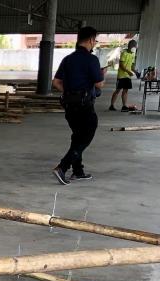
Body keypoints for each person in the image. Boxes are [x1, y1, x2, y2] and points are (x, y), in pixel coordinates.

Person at [51, 26, 105, 186]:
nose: (94, 43)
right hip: (84, 106)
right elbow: (99, 84)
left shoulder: (68, 59)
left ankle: (78, 171)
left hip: (69, 105)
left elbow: (56, 82)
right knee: (86, 135)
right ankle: (62, 167)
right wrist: (103, 75)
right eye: (95, 40)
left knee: (77, 136)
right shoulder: (91, 59)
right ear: (90, 40)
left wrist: (68, 92)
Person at [109, 40, 140, 112]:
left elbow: (132, 66)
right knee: (118, 90)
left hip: (127, 76)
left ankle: (124, 106)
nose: (135, 48)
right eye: (135, 47)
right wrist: (128, 71)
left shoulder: (132, 55)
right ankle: (111, 105)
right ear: (131, 46)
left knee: (125, 91)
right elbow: (121, 65)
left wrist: (136, 72)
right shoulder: (124, 53)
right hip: (121, 76)